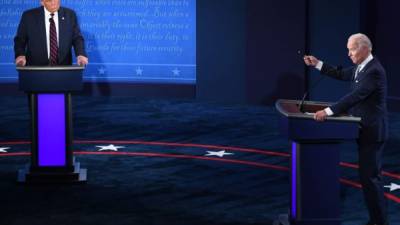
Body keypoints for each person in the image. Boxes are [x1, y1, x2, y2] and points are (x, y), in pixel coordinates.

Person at [303, 33, 388, 225]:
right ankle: (376, 220)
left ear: (366, 48)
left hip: (373, 133)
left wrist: (328, 111)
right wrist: (317, 64)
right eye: (348, 49)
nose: (349, 53)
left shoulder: (374, 71)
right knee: (368, 179)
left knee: (371, 180)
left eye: (352, 49)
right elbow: (341, 73)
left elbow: (355, 96)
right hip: (365, 130)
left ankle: (380, 222)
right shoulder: (362, 67)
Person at [14, 0, 88, 66]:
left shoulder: (70, 15)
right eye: (49, 0)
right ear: (42, 2)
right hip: (36, 68)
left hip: (63, 68)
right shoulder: (28, 16)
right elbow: (20, 40)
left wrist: (80, 54)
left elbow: (77, 38)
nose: (53, 3)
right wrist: (20, 55)